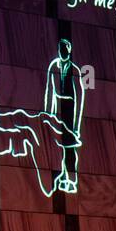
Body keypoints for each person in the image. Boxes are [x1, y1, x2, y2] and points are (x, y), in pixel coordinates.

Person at [43, 38, 85, 194]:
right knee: (58, 147)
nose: (62, 51)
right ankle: (61, 177)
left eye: (65, 49)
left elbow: (79, 97)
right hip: (57, 113)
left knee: (69, 149)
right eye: (60, 48)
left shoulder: (74, 70)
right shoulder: (54, 66)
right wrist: (47, 116)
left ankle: (72, 180)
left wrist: (76, 125)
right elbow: (49, 90)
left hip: (69, 112)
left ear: (69, 50)